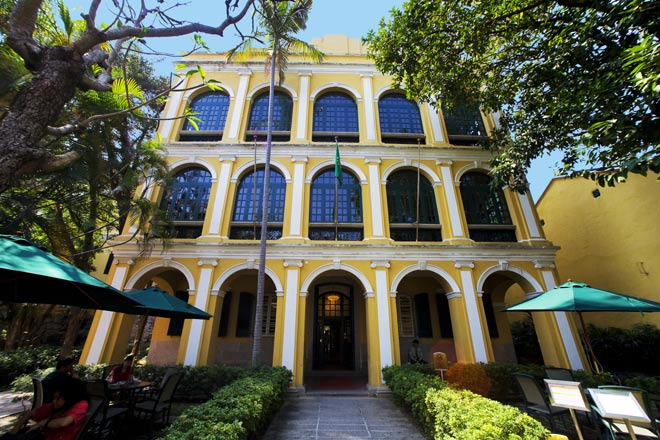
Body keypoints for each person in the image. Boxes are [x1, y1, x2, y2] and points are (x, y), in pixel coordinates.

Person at [3, 376, 88, 440]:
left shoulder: (81, 405)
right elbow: (31, 413)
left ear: (69, 398)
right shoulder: (55, 406)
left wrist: (43, 423)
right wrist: (13, 432)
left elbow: (63, 422)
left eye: (58, 398)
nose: (54, 401)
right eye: (54, 398)